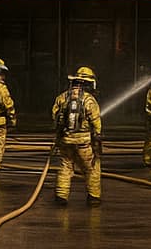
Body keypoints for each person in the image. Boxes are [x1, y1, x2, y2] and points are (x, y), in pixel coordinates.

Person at [51, 65, 103, 206]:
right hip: (84, 142)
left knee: (65, 168)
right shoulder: (89, 100)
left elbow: (54, 117)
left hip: (65, 141)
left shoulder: (62, 97)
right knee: (91, 168)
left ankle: (61, 197)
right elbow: (96, 122)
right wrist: (97, 139)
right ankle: (93, 197)